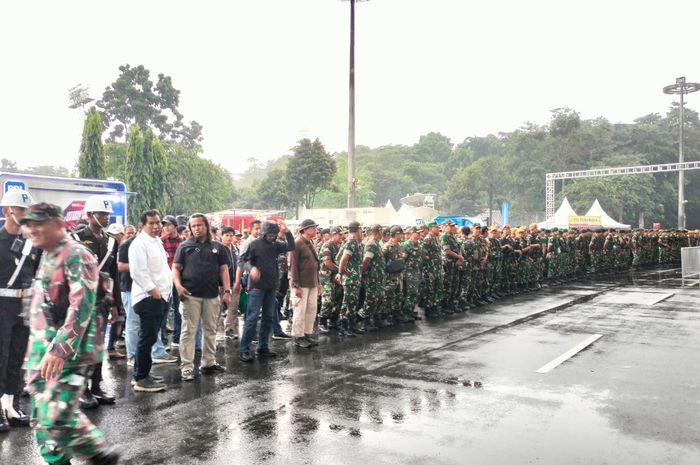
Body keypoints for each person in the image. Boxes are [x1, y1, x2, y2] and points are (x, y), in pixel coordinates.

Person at [21, 203, 119, 465]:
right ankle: (57, 461)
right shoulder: (49, 254)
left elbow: (82, 303)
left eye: (38, 223)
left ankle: (98, 454)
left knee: (57, 413)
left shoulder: (76, 253)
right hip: (43, 348)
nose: (32, 229)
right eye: (29, 223)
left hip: (71, 350)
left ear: (58, 223)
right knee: (41, 416)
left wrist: (60, 348)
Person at [173, 214, 230, 380]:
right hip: (190, 295)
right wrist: (178, 285)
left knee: (211, 329)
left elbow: (224, 269)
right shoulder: (184, 246)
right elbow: (176, 268)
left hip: (212, 295)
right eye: (193, 226)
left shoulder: (218, 247)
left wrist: (227, 291)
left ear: (206, 226)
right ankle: (187, 367)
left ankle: (208, 363)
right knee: (188, 331)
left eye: (200, 225)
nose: (196, 228)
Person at [74, 195, 119, 409]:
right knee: (82, 345)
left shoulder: (110, 241)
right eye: (101, 213)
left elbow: (114, 275)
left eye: (107, 214)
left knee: (98, 345)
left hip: (101, 299)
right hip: (80, 300)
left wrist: (116, 304)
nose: (105, 217)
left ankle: (96, 386)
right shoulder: (75, 237)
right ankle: (80, 389)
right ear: (90, 215)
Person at [0, 189, 37, 433]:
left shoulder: (31, 242)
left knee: (16, 358)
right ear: (7, 211)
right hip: (1, 305)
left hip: (24, 306)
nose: (25, 215)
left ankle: (12, 405)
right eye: (20, 210)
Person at [238, 220, 295, 362]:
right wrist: (251, 269)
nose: (272, 237)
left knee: (268, 318)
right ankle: (244, 349)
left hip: (271, 286)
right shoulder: (254, 244)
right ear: (263, 233)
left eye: (274, 235)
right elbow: (241, 261)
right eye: (269, 235)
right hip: (256, 287)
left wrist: (287, 232)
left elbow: (291, 246)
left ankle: (263, 347)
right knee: (252, 318)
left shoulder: (275, 245)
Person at [129, 210, 172, 393]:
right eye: (151, 223)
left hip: (160, 295)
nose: (156, 226)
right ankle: (141, 379)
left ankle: (141, 373)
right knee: (147, 339)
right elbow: (138, 271)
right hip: (149, 297)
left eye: (158, 222)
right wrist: (153, 291)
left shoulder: (156, 240)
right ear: (142, 225)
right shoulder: (139, 244)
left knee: (149, 337)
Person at [287, 219, 320, 348]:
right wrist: (296, 285)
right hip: (301, 284)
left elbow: (316, 264)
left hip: (312, 282)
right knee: (300, 310)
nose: (315, 230)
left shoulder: (309, 243)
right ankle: (298, 336)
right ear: (305, 230)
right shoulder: (297, 243)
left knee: (311, 309)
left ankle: (306, 334)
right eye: (312, 227)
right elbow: (293, 266)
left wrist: (318, 283)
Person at [160, 215, 183, 347]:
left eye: (169, 224)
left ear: (175, 226)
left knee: (179, 309)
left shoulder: (183, 241)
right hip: (165, 280)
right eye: (164, 225)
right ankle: (163, 340)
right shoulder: (161, 241)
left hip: (180, 279)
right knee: (164, 310)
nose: (166, 227)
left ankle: (177, 338)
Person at [221, 226, 240, 340]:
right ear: (222, 236)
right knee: (217, 309)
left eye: (231, 235)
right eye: (226, 235)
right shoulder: (218, 248)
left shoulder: (235, 248)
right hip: (220, 285)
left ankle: (229, 329)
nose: (229, 238)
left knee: (233, 308)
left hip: (234, 282)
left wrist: (238, 281)